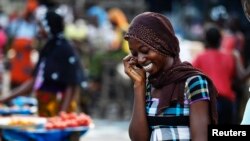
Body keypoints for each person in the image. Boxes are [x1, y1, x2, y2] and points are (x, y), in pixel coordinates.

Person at [123, 12, 218, 141]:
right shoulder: (150, 86)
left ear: (164, 45)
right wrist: (139, 86)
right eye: (134, 53)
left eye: (145, 51)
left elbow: (201, 137)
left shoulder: (193, 82)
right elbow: (138, 139)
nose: (140, 59)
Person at [0, 10, 86, 117]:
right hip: (45, 110)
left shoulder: (65, 49)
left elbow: (72, 84)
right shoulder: (48, 47)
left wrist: (62, 115)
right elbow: (33, 81)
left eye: (41, 27)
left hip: (60, 111)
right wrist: (4, 99)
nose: (39, 31)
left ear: (49, 27)